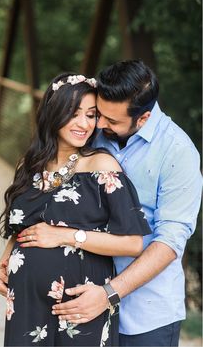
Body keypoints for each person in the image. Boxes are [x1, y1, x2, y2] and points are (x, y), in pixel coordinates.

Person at [47, 61, 201, 346]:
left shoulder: (178, 152)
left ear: (142, 118)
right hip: (82, 304)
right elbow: (50, 190)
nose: (99, 124)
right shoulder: (94, 132)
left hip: (145, 316)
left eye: (112, 121)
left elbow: (169, 243)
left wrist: (108, 293)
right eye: (99, 114)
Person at [0, 72, 151, 346]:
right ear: (54, 113)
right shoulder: (29, 165)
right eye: (73, 113)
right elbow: (23, 226)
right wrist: (6, 259)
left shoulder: (102, 166)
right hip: (26, 303)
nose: (84, 124)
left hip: (80, 304)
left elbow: (133, 242)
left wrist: (66, 235)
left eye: (91, 115)